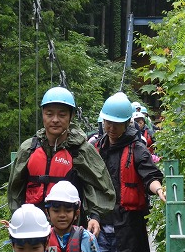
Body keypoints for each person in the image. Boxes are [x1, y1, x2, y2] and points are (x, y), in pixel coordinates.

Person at [94, 92, 166, 252]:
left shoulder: (136, 148)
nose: (110, 128)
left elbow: (149, 174)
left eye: (115, 123)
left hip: (126, 225)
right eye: (107, 122)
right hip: (100, 224)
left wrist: (158, 189)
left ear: (127, 123)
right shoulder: (98, 147)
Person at [8, 86, 115, 236]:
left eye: (62, 115)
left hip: (71, 229)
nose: (55, 120)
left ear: (71, 117)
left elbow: (101, 186)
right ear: (43, 115)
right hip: (33, 229)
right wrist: (17, 218)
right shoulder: (28, 149)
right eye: (49, 114)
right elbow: (15, 189)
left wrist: (95, 217)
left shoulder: (81, 150)